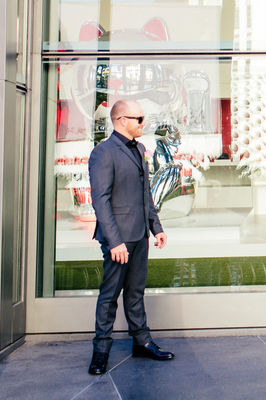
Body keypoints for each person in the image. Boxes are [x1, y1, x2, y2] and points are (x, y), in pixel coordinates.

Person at [87, 99, 175, 375]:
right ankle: (101, 352)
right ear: (122, 120)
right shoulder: (103, 152)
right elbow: (101, 201)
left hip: (139, 235)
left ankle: (142, 342)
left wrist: (156, 227)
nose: (143, 123)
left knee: (136, 292)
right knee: (109, 295)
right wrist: (115, 242)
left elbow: (145, 194)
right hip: (118, 240)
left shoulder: (138, 149)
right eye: (139, 119)